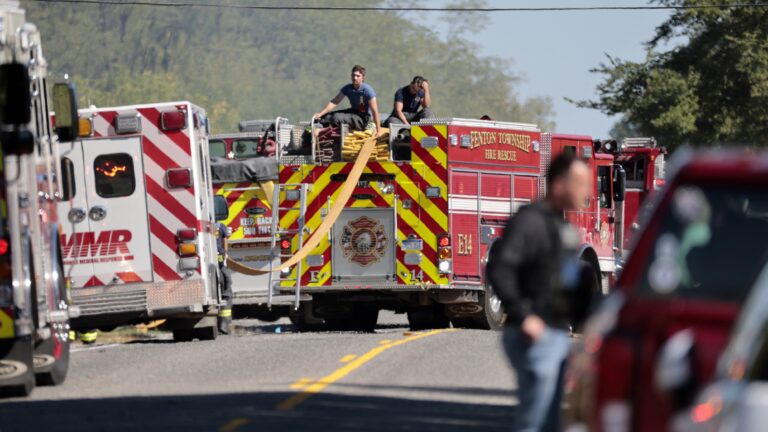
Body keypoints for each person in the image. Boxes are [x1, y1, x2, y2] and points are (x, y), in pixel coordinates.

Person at [486, 153, 593, 432]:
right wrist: (524, 315)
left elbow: (568, 283)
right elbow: (500, 268)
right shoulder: (529, 222)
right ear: (559, 185)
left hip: (556, 334)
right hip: (535, 334)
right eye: (581, 184)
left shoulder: (563, 227)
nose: (588, 192)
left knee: (549, 423)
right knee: (535, 422)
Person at [314, 65, 382, 136]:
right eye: (353, 75)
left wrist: (379, 131)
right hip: (353, 112)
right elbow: (335, 101)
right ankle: (312, 132)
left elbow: (375, 111)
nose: (354, 78)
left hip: (363, 118)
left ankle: (322, 131)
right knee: (326, 117)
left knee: (337, 118)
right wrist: (320, 114)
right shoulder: (348, 88)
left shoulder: (367, 90)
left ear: (363, 77)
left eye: (358, 76)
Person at [216, 221, 233, 334]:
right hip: (210, 260)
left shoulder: (220, 226)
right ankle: (222, 323)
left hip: (219, 259)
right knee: (224, 285)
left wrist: (225, 252)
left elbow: (225, 239)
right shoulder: (214, 225)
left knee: (227, 281)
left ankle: (224, 323)